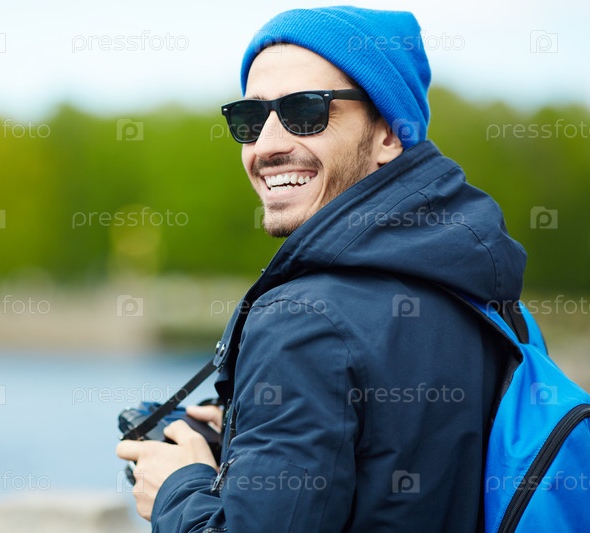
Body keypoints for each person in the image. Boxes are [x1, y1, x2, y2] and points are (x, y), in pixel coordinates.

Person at [117, 6, 526, 531]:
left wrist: (177, 487)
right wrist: (257, 432)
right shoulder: (480, 290)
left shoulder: (304, 323)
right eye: (249, 119)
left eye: (306, 111)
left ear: (389, 133)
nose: (266, 146)